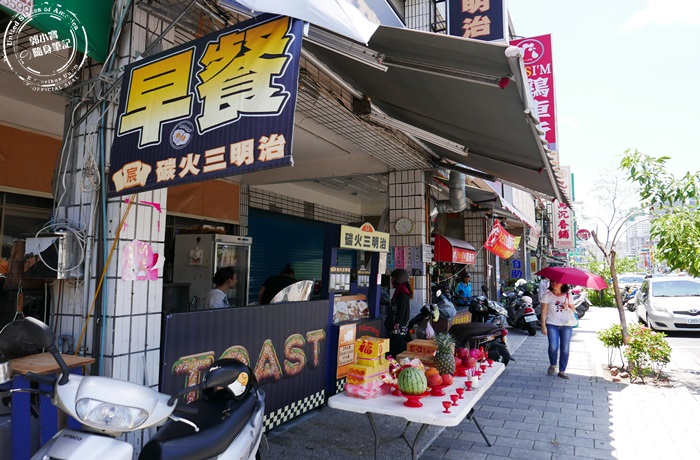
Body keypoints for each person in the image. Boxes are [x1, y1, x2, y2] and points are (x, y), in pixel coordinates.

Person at [540, 280, 577, 379]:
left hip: (566, 325)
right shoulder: (547, 295)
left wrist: (567, 307)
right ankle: (553, 364)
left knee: (565, 348)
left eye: (557, 282)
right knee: (553, 346)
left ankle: (562, 370)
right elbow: (543, 312)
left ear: (563, 284)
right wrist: (543, 326)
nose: (554, 284)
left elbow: (573, 310)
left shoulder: (568, 295)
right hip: (552, 324)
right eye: (553, 282)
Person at [386, 268, 412, 358]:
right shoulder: (399, 290)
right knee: (394, 342)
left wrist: (398, 322)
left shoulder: (403, 292)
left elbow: (402, 309)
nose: (392, 281)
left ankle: (399, 360)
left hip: (400, 324)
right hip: (398, 323)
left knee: (397, 344)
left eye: (393, 278)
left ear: (398, 279)